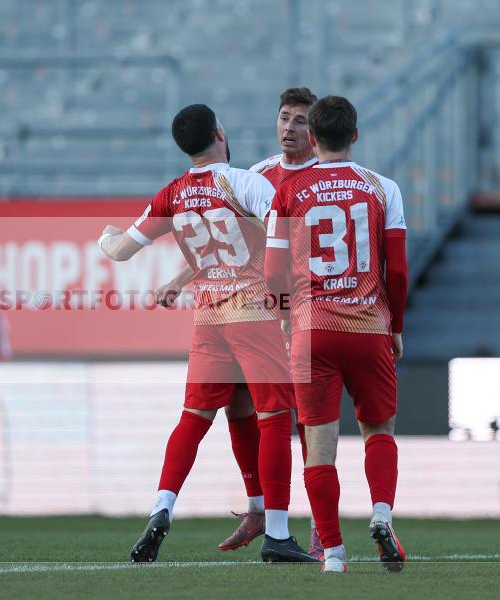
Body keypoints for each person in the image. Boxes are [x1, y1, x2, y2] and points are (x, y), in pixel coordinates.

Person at [100, 104, 316, 564]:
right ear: (220, 132)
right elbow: (281, 227)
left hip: (208, 318)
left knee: (195, 417)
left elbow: (119, 252)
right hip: (253, 311)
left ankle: (163, 507)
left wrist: (107, 238)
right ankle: (277, 533)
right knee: (275, 416)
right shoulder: (243, 182)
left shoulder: (172, 195)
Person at [264, 95, 409, 573]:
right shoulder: (381, 187)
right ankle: (382, 515)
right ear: (356, 135)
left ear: (312, 137)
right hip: (368, 326)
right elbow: (400, 270)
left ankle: (333, 553)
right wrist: (396, 326)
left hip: (312, 330)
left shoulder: (287, 191)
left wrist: (286, 316)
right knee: (378, 429)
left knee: (318, 443)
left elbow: (272, 272)